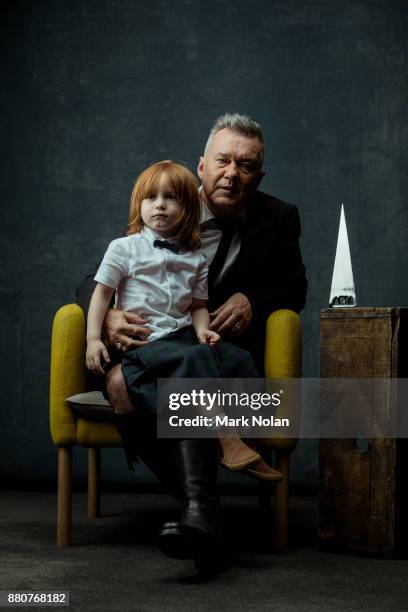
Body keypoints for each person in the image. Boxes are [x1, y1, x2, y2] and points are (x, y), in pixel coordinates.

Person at [77, 113, 307, 575]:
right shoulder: (167, 199)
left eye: (246, 166)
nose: (232, 173)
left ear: (258, 176)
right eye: (223, 161)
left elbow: (294, 288)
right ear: (201, 166)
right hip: (153, 343)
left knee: (130, 384)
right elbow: (98, 276)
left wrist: (252, 300)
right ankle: (205, 502)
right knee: (138, 375)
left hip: (209, 347)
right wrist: (105, 321)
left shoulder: (279, 217)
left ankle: (202, 514)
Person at [85, 159, 277, 476]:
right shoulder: (124, 249)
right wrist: (93, 339)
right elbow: (101, 295)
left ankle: (250, 440)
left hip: (182, 337)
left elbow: (199, 305)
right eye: (151, 198)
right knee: (194, 359)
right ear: (139, 203)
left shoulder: (195, 258)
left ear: (188, 208)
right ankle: (226, 442)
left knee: (236, 358)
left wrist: (204, 331)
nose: (159, 206)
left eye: (170, 198)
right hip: (143, 345)